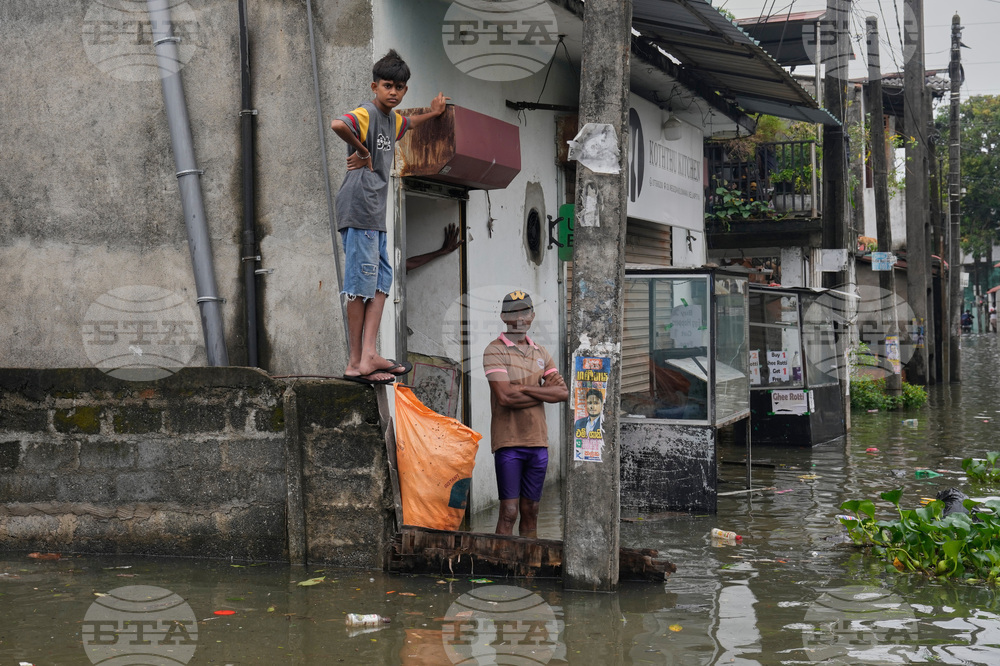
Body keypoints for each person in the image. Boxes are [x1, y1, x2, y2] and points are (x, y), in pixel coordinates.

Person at [330, 49, 449, 384]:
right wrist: (363, 150)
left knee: (382, 281)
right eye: (387, 85)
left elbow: (408, 123)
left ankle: (370, 353)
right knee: (359, 285)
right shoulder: (367, 113)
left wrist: (434, 112)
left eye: (399, 87)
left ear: (405, 90)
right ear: (374, 86)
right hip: (359, 209)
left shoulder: (392, 119)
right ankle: (357, 361)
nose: (393, 91)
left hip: (374, 214)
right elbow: (339, 123)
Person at [483, 290, 568, 537]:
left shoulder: (541, 352)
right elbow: (505, 397)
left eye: (524, 312)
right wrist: (542, 390)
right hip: (508, 443)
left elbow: (562, 394)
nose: (519, 318)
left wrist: (524, 388)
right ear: (503, 317)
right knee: (509, 512)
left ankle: (527, 570)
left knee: (531, 510)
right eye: (513, 313)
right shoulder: (494, 350)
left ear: (532, 316)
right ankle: (501, 567)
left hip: (538, 443)